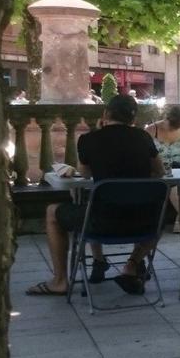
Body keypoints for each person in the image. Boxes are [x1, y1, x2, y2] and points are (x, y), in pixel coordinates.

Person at [27, 95, 164, 297]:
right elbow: (159, 171)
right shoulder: (143, 137)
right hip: (144, 223)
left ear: (106, 114)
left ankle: (60, 281)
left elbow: (85, 173)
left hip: (101, 223)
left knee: (52, 212)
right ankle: (132, 263)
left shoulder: (89, 139)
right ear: (133, 119)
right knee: (158, 215)